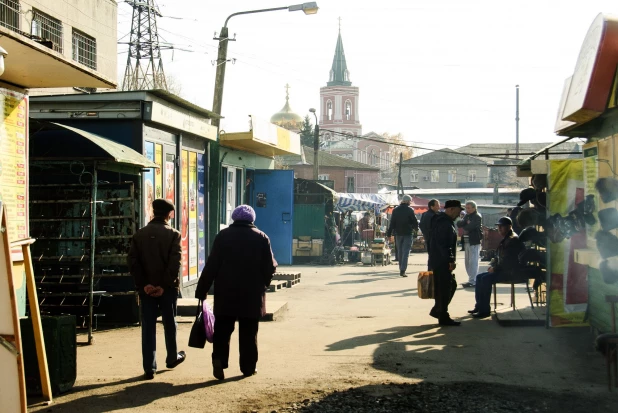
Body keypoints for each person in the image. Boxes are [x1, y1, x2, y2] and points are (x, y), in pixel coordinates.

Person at [195, 205, 277, 380]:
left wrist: (202, 290)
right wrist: (264, 283)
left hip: (226, 293)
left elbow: (212, 265)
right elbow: (270, 266)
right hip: (251, 295)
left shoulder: (223, 236)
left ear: (234, 218)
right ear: (252, 219)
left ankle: (219, 360)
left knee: (223, 330)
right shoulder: (261, 237)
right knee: (249, 331)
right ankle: (248, 368)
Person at [128, 199, 185, 380]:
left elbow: (133, 262)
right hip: (166, 289)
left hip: (146, 290)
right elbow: (174, 264)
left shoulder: (140, 235)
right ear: (169, 214)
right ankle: (171, 357)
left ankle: (149, 367)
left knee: (148, 326)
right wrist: (163, 285)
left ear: (153, 212)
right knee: (170, 322)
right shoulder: (173, 235)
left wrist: (145, 284)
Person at [469, 217, 525, 318]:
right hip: (504, 270)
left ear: (509, 227)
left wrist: (495, 268)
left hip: (511, 272)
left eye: (501, 227)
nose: (499, 229)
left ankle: (484, 310)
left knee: (485, 279)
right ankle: (479, 306)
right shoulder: (507, 238)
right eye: (498, 227)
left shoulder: (512, 240)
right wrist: (493, 266)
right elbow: (499, 257)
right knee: (479, 277)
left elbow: (508, 261)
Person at [429, 200, 464, 326]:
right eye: (458, 211)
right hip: (442, 260)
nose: (459, 214)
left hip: (439, 259)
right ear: (451, 209)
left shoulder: (443, 221)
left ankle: (439, 311)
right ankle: (442, 314)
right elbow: (444, 244)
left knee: (447, 287)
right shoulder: (444, 223)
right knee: (445, 288)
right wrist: (450, 259)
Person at [386, 195, 419, 277]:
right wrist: (416, 229)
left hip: (398, 234)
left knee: (400, 252)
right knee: (406, 252)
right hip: (408, 233)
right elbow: (414, 221)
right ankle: (403, 270)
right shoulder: (410, 210)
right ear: (408, 201)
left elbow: (392, 222)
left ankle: (401, 268)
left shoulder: (395, 210)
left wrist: (389, 234)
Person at [457, 201, 483, 288]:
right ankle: (471, 279)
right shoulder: (467, 216)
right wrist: (465, 223)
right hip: (467, 241)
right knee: (467, 262)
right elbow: (459, 223)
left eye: (468, 208)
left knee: (473, 261)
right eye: (466, 208)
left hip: (474, 241)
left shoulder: (477, 216)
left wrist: (465, 224)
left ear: (474, 208)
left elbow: (470, 227)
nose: (467, 210)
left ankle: (473, 280)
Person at [419, 199, 440, 271]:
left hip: (428, 238)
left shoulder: (425, 214)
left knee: (431, 255)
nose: (439, 207)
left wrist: (426, 235)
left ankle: (430, 270)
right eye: (437, 205)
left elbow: (421, 225)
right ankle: (433, 271)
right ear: (432, 207)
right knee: (435, 256)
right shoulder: (435, 215)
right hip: (435, 239)